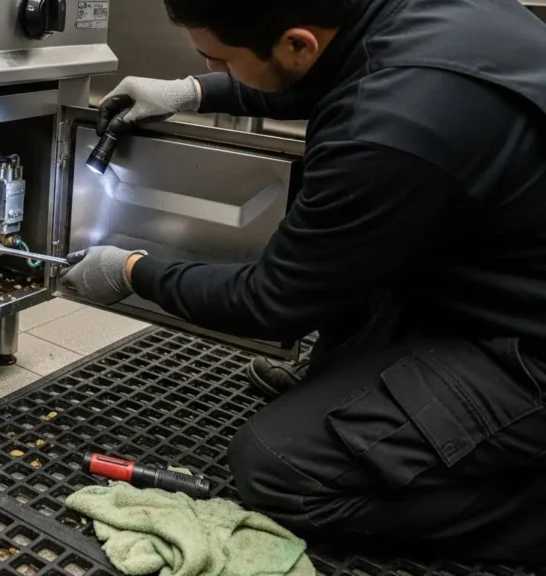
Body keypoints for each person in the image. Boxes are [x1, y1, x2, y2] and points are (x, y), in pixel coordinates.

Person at [60, 0, 546, 563]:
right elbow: (320, 77)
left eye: (217, 59)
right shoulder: (399, 18)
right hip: (497, 273)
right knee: (341, 322)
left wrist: (132, 271)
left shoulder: (389, 126)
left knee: (279, 467)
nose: (215, 68)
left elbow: (273, 303)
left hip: (525, 349)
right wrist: (196, 91)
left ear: (296, 42)